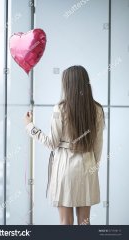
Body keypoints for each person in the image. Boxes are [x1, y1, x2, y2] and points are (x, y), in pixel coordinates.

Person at [24, 65, 105, 225]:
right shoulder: (97, 109)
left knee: (65, 223)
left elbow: (51, 143)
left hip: (65, 169)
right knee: (84, 222)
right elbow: (98, 145)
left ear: (68, 84)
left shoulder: (60, 109)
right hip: (88, 167)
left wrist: (30, 126)